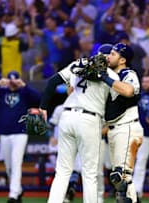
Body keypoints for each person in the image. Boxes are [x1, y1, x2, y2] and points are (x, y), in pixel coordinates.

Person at [39, 55, 120, 203]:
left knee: (62, 172)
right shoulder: (112, 75)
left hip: (67, 116)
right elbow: (117, 105)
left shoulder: (79, 63)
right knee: (89, 173)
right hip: (89, 119)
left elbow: (52, 82)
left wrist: (43, 107)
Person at [0, 71, 40, 203]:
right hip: (4, 133)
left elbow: (38, 98)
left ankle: (13, 195)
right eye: (11, 80)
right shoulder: (0, 92)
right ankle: (18, 190)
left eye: (15, 80)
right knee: (8, 165)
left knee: (16, 163)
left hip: (20, 133)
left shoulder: (24, 93)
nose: (13, 83)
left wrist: (24, 86)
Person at [102, 43, 143, 203]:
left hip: (128, 127)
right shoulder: (109, 75)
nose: (108, 56)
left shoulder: (128, 73)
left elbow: (128, 91)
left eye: (113, 54)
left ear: (122, 60)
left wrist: (104, 78)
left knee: (121, 175)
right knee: (123, 178)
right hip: (114, 130)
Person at [132, 73, 149, 201]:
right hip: (143, 135)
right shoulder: (139, 96)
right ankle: (137, 191)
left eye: (148, 82)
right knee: (140, 164)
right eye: (144, 82)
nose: (145, 84)